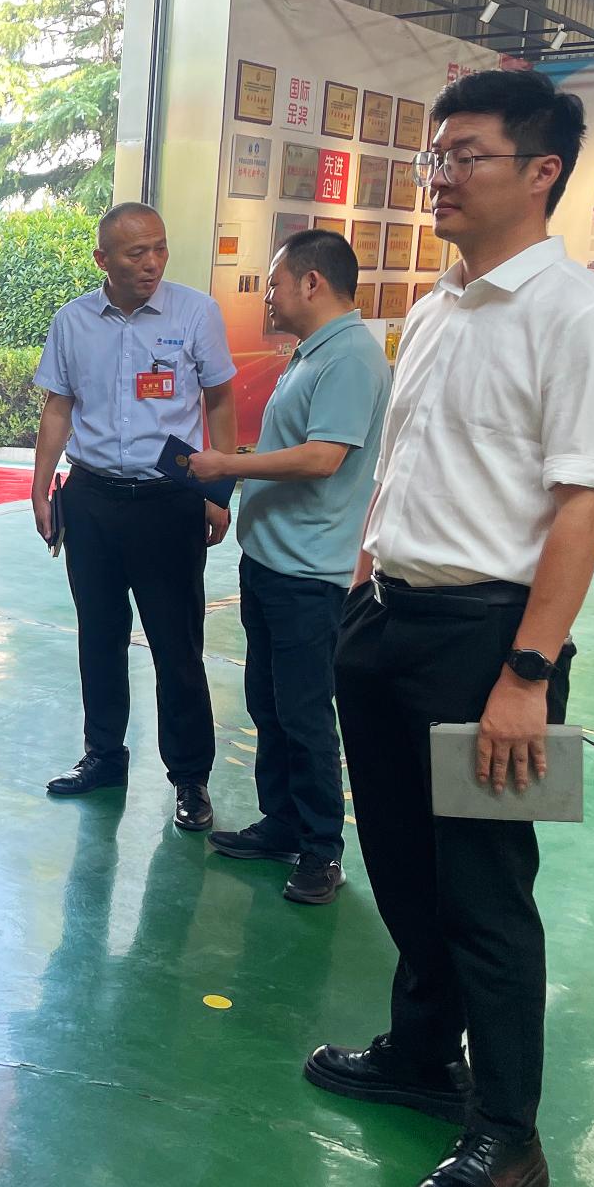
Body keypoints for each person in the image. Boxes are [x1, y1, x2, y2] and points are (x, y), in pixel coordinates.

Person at [304, 70, 594, 1187]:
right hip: (389, 623)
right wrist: (365, 578)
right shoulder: (438, 307)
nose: (439, 176)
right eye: (434, 156)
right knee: (401, 863)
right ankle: (417, 1052)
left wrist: (527, 677)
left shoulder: (581, 317)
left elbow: (585, 506)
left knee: (489, 891)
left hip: (493, 643)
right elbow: (406, 464)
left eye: (466, 155)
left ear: (541, 172)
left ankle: (509, 1134)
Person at [186, 230, 390, 906]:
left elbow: (323, 457)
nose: (267, 296)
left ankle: (322, 849)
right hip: (272, 561)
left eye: (274, 283)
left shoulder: (350, 358)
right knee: (269, 704)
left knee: (303, 714)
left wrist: (228, 465)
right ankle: (283, 823)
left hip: (309, 573)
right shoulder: (313, 354)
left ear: (312, 283)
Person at [30, 202, 238, 831]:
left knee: (177, 645)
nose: (152, 264)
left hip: (169, 500)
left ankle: (190, 777)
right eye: (136, 253)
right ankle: (103, 755)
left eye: (159, 249)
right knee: (99, 635)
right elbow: (58, 408)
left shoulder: (195, 313)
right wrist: (41, 489)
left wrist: (218, 489)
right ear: (103, 259)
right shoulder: (73, 321)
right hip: (90, 499)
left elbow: (220, 399)